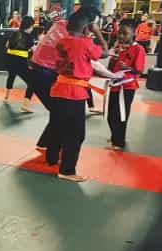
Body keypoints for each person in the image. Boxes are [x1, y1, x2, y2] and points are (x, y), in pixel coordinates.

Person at [45, 11, 105, 182]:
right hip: (74, 93)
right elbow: (104, 52)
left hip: (58, 89)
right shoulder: (85, 44)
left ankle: (51, 158)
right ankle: (67, 170)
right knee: (76, 134)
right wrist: (97, 32)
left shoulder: (62, 41)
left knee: (57, 126)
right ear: (86, 27)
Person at [107, 19, 146, 150]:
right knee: (110, 114)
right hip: (114, 85)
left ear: (133, 34)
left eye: (125, 33)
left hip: (127, 86)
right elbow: (110, 68)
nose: (121, 36)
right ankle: (115, 135)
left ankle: (119, 141)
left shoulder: (139, 49)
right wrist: (112, 61)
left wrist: (128, 67)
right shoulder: (118, 47)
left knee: (121, 114)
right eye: (119, 33)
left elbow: (139, 70)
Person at [4, 16, 35, 112]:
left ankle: (6, 96)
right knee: (32, 82)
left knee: (11, 76)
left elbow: (7, 45)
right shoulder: (29, 37)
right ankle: (26, 105)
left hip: (9, 61)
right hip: (20, 63)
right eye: (32, 27)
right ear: (29, 26)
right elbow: (34, 50)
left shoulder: (15, 33)